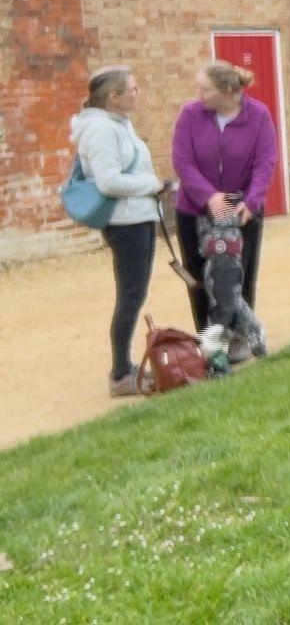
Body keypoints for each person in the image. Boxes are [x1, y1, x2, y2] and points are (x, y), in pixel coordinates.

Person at [73, 66, 172, 396]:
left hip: (138, 217)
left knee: (135, 294)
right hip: (125, 222)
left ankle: (125, 367)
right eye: (133, 89)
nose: (138, 93)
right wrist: (153, 185)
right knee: (130, 295)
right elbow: (109, 181)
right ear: (113, 97)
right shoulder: (101, 130)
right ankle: (119, 374)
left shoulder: (118, 124)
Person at [173, 60, 279, 364]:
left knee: (237, 274)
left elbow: (265, 162)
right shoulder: (190, 115)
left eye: (205, 89)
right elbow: (183, 161)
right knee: (198, 277)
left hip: (240, 204)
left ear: (228, 90)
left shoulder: (258, 115)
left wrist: (253, 200)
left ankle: (239, 338)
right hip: (194, 205)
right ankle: (211, 342)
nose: (199, 94)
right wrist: (209, 196)